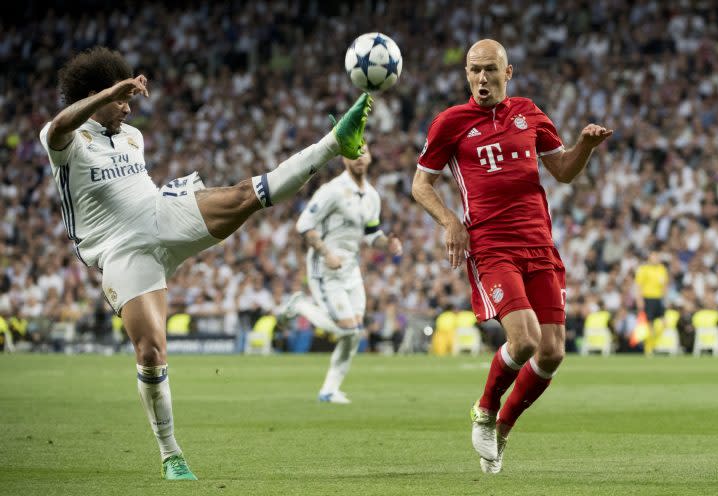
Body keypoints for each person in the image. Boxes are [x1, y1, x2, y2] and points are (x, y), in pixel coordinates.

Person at [38, 46, 372, 480]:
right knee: (152, 350)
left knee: (242, 197)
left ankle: (333, 144)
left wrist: (117, 101)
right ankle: (170, 452)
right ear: (95, 94)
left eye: (128, 99)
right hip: (120, 249)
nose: (127, 106)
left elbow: (136, 185)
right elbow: (61, 126)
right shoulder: (63, 139)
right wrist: (110, 94)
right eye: (120, 98)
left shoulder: (133, 136)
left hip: (159, 212)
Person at [411, 39, 612, 474]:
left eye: (489, 70)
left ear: (509, 72)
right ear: (466, 74)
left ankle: (502, 428)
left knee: (554, 352)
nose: (481, 79)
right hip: (492, 245)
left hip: (540, 243)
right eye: (474, 70)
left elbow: (563, 172)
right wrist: (450, 221)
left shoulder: (529, 112)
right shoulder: (450, 122)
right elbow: (420, 184)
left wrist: (586, 147)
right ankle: (484, 409)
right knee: (524, 341)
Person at [276, 144, 402, 404]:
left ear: (371, 157)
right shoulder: (332, 191)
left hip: (350, 268)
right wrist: (326, 253)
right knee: (346, 329)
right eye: (353, 153)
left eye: (364, 152)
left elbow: (371, 235)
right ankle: (299, 304)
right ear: (344, 158)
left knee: (355, 332)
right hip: (325, 266)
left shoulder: (371, 196)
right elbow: (304, 225)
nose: (359, 157)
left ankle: (329, 390)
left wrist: (387, 244)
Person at [634, 250, 669, 354]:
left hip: (659, 298)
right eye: (654, 257)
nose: (656, 259)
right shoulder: (644, 269)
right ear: (649, 258)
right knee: (649, 324)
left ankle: (655, 343)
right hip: (648, 298)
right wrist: (639, 300)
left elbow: (665, 286)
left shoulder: (662, 269)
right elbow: (638, 286)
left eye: (657, 257)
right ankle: (648, 348)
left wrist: (665, 299)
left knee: (663, 323)